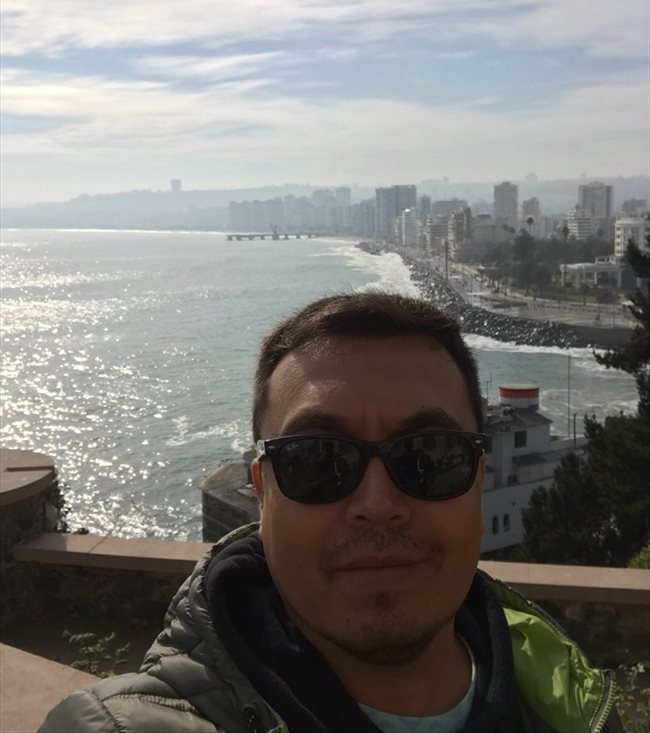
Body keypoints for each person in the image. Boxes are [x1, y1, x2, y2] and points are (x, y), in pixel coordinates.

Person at [39, 292, 622, 733]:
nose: (378, 506)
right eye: (316, 460)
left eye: (430, 457)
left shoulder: (571, 703)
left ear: (478, 479)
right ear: (262, 493)